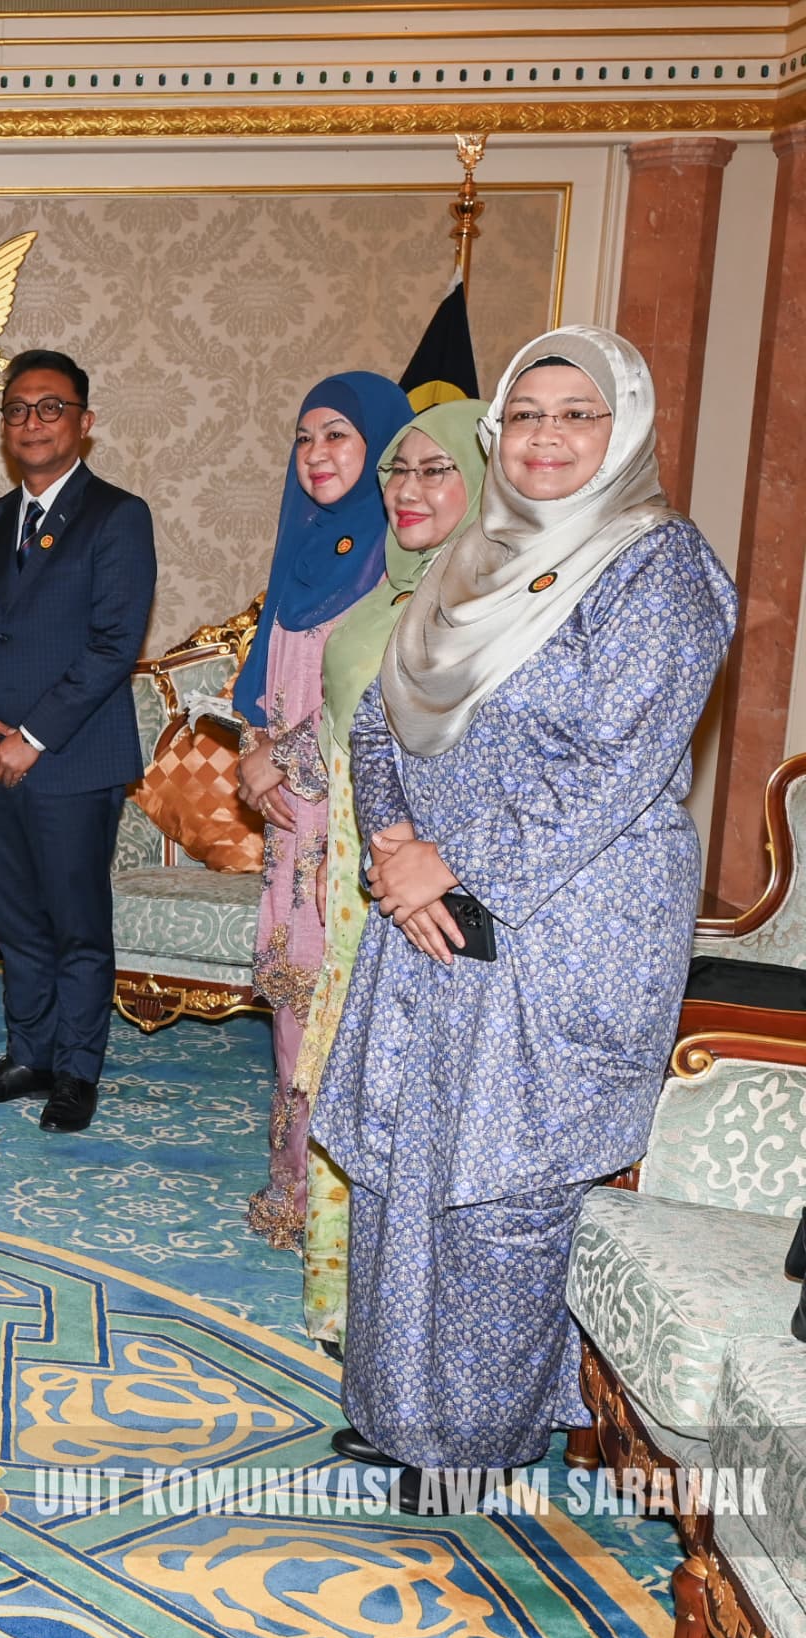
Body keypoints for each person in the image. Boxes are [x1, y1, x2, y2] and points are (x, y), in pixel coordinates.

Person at [316, 327, 735, 1507]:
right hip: (425, 908)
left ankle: (476, 1440)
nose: (547, 437)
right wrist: (394, 848)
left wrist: (451, 863)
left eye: (577, 414)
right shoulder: (472, 557)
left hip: (566, 919)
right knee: (406, 1157)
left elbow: (613, 764)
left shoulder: (658, 568)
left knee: (502, 1183)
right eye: (528, 414)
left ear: (625, 428)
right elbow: (376, 719)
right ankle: (402, 1409)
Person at [294, 399, 487, 1350]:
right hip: (354, 871)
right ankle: (347, 1301)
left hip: (431, 880)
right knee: (353, 1076)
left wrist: (419, 863)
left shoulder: (491, 602)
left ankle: (407, 1321)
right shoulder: (389, 594)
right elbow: (349, 730)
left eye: (436, 470)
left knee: (416, 1091)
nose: (408, 490)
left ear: (484, 480)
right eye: (397, 473)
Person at [0, 350, 158, 1133]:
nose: (31, 422)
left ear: (84, 422)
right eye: (17, 410)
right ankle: (27, 1056)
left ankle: (75, 1072)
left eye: (50, 407)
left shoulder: (117, 516)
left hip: (71, 760)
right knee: (19, 925)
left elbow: (113, 644)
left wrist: (31, 737)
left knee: (76, 926)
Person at [232, 373, 413, 1245]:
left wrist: (279, 760)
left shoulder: (405, 556)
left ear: (383, 449)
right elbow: (266, 690)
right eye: (305, 438)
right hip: (289, 826)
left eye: (338, 435)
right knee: (295, 1008)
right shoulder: (303, 548)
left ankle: (350, 1221)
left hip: (358, 827)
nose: (316, 454)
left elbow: (377, 703)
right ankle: (295, 1194)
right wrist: (255, 757)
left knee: (348, 1012)